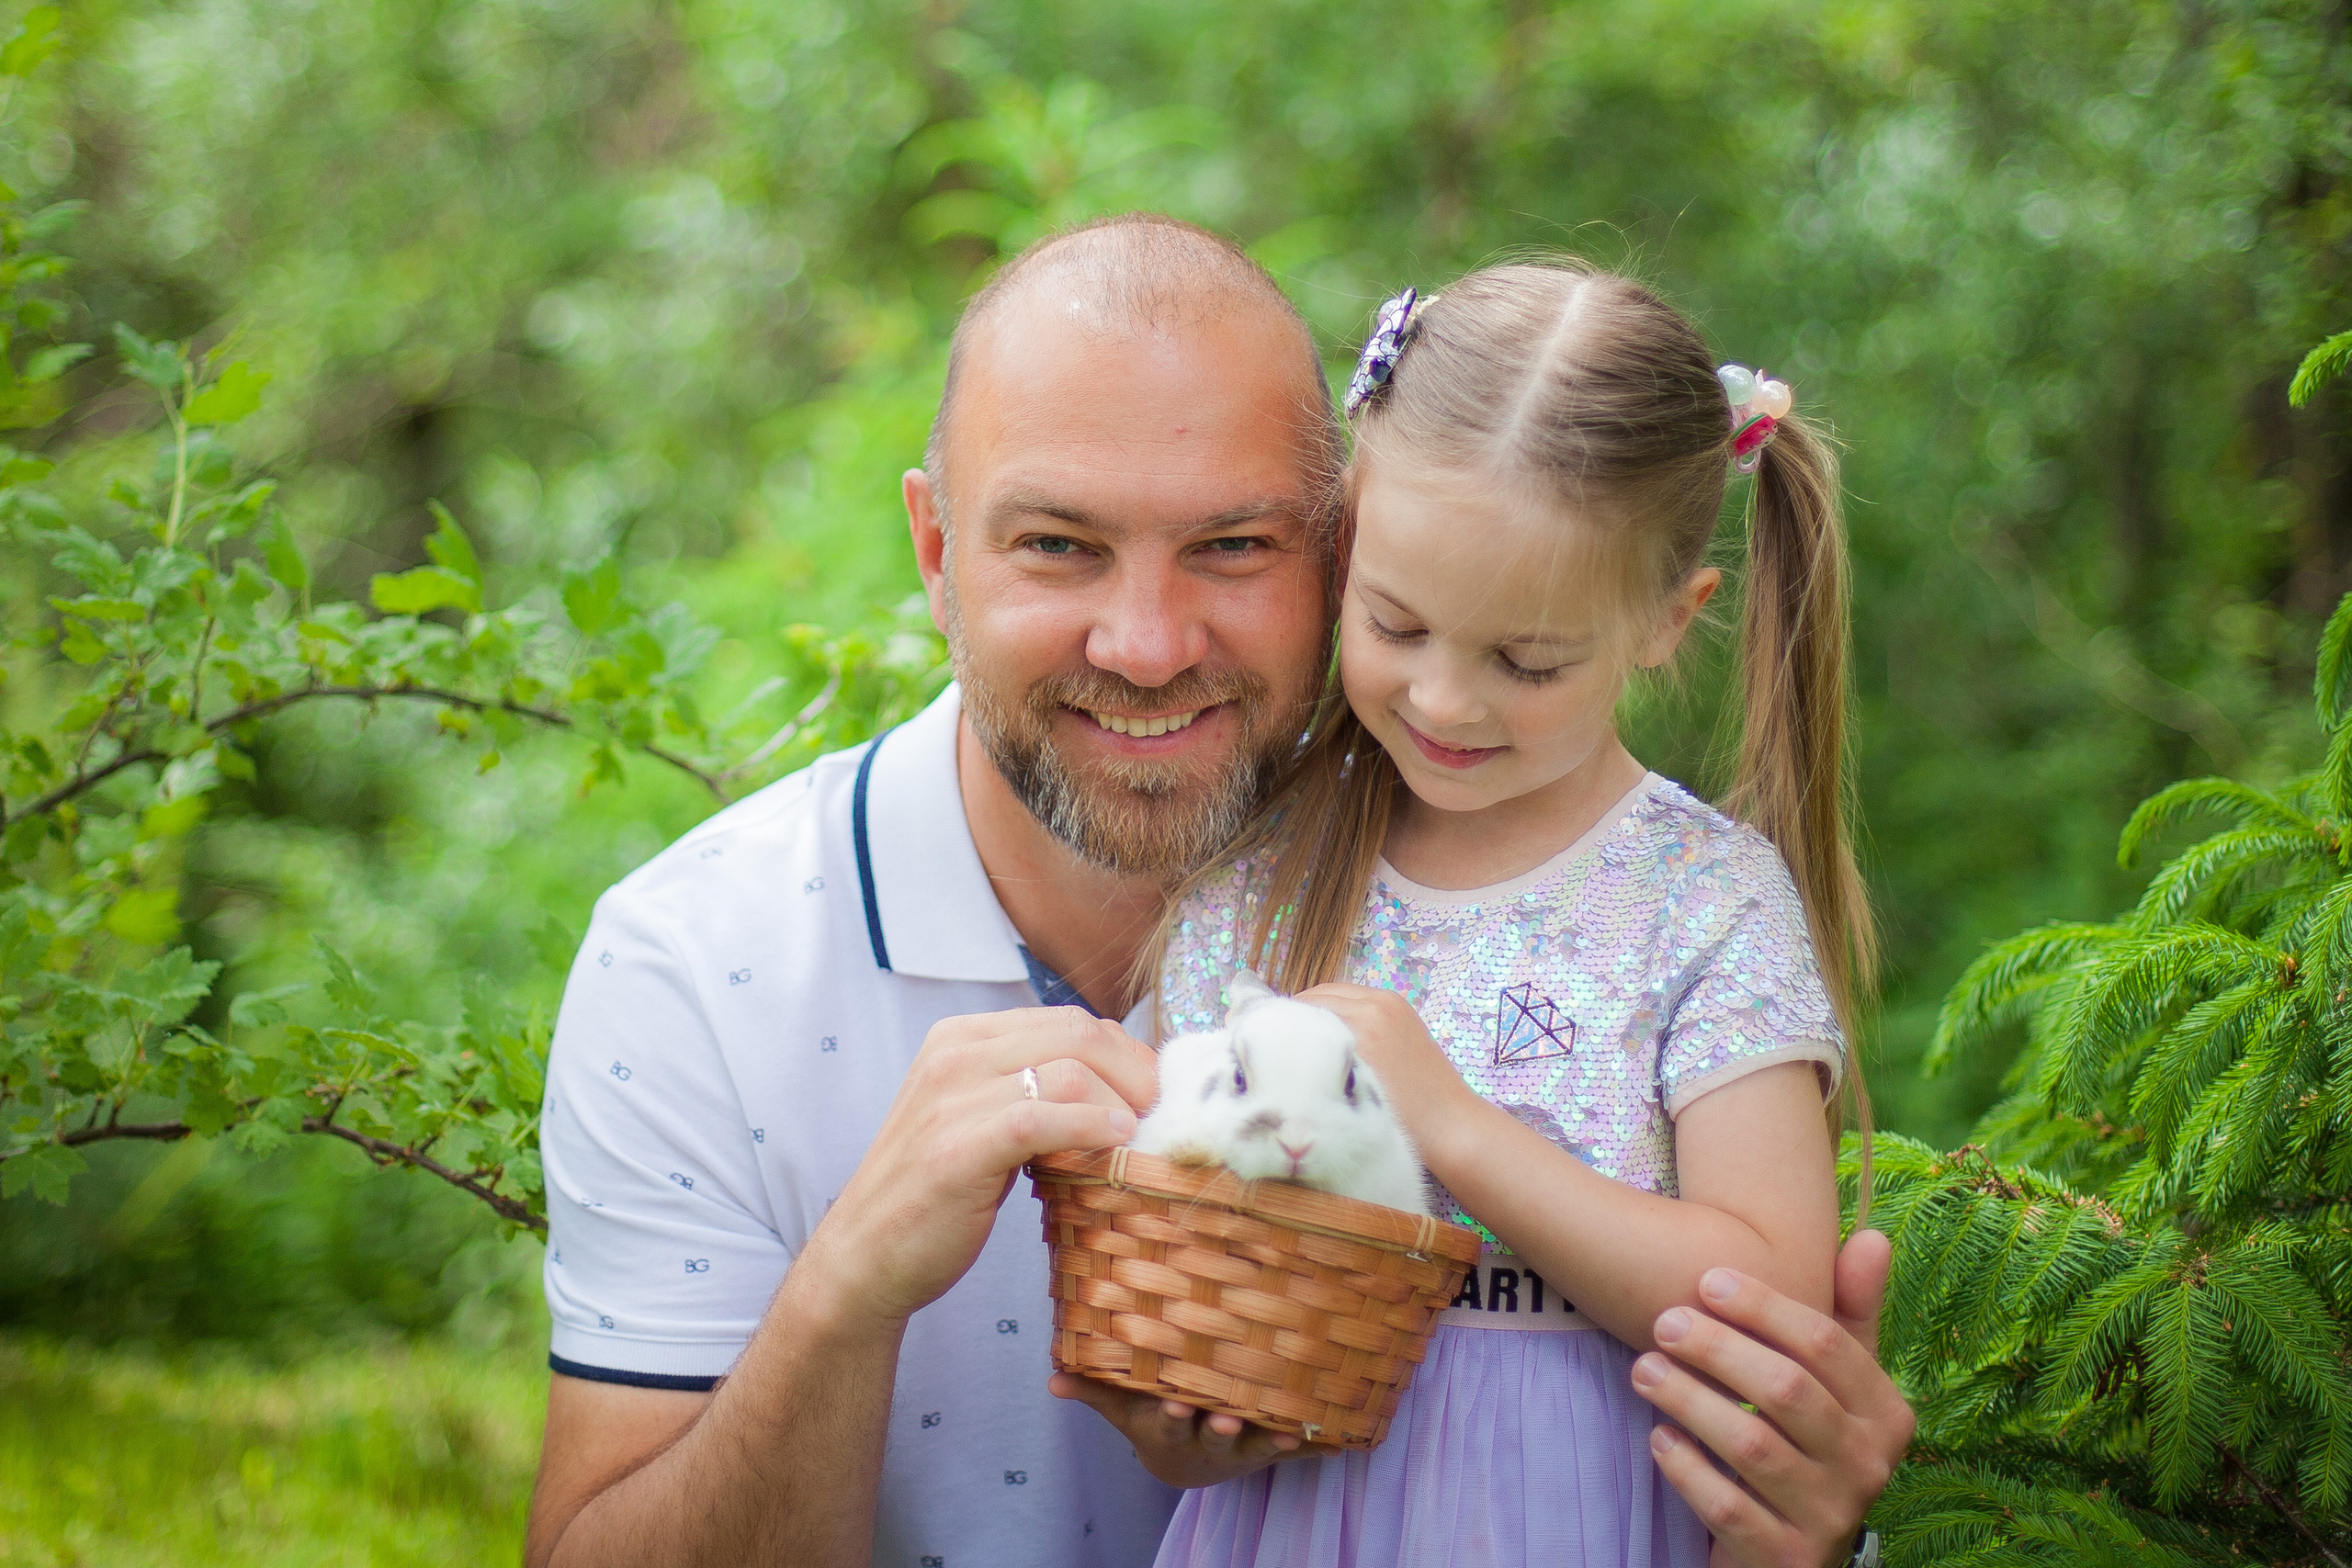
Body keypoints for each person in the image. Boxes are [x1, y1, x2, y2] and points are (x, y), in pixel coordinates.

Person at [521, 217, 1911, 1568]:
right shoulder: (699, 966)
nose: (1143, 645)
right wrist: (848, 1292)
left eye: (1235, 546)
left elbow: (1765, 1345)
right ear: (937, 553)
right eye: (1058, 543)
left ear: (1329, 547)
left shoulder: (1663, 892)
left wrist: (1811, 1534)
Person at [1141, 264, 1879, 1567]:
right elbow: (1174, 1343)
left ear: (1665, 623)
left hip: (1584, 1516)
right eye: (1396, 622)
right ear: (1347, 542)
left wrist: (1452, 1127)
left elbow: (1767, 1301)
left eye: (1527, 663)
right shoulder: (1253, 894)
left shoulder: (1700, 899)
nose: (1445, 701)